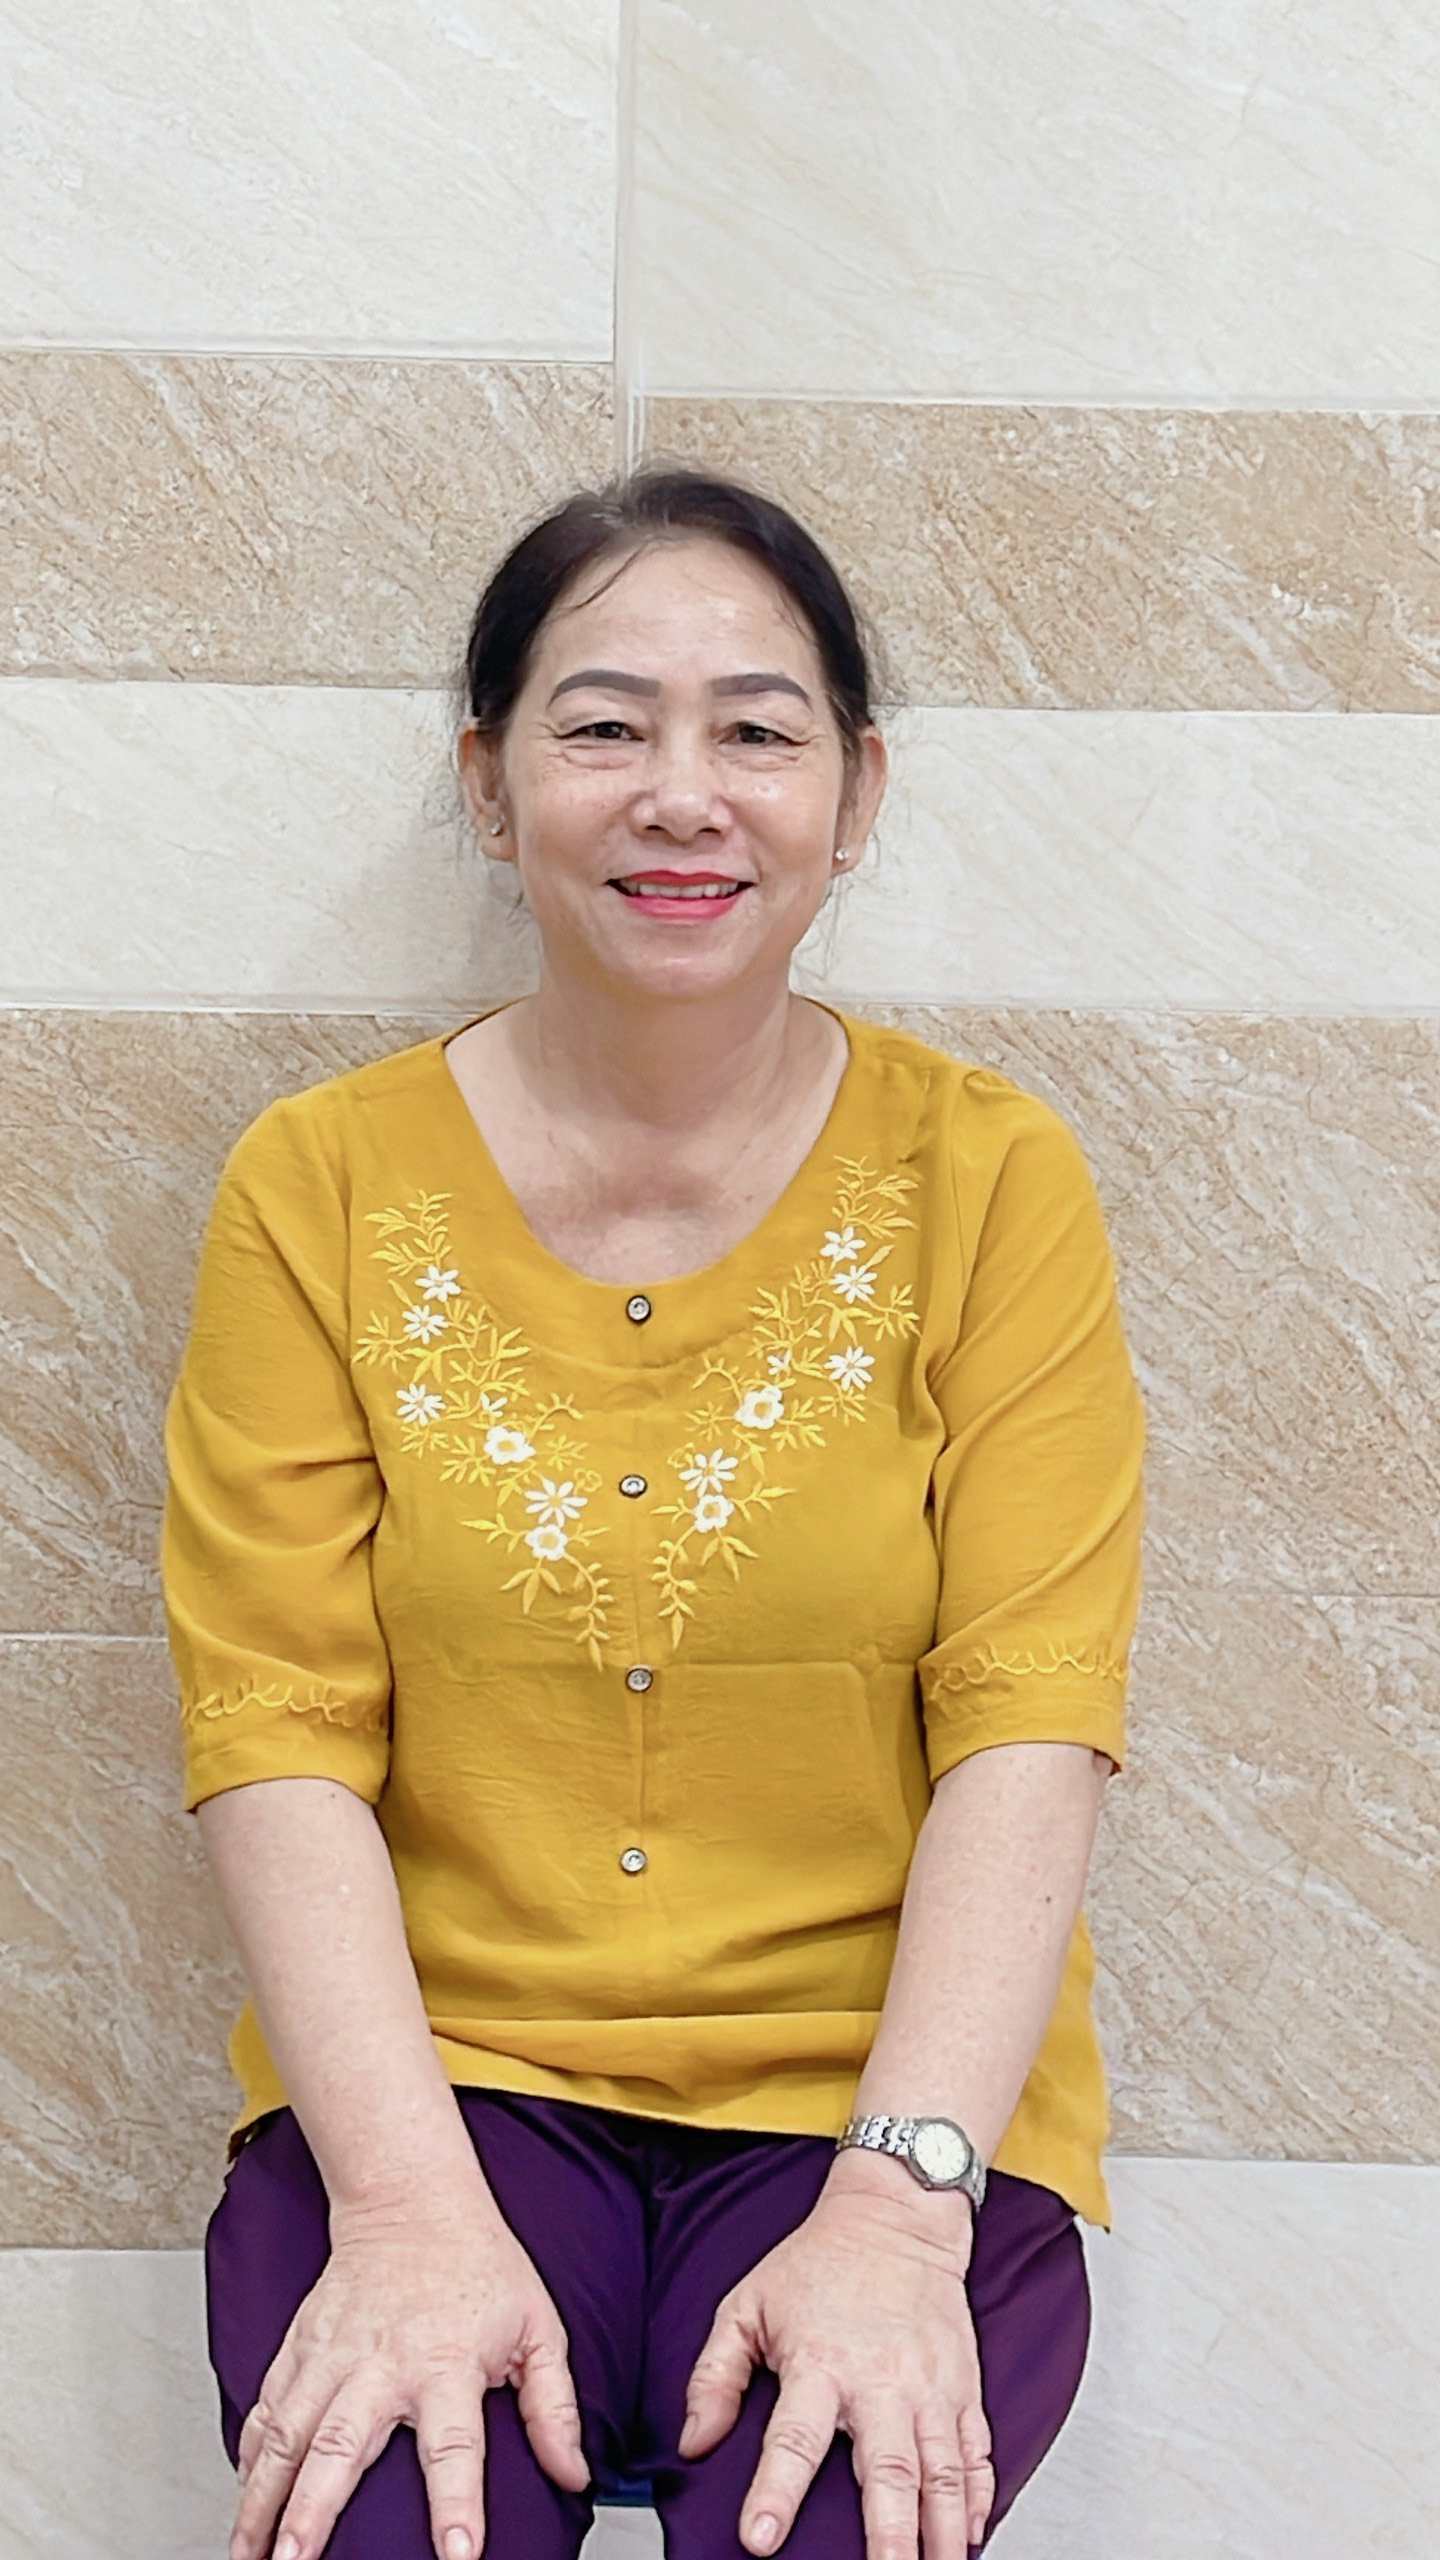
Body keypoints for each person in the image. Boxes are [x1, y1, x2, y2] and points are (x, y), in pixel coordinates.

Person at [160, 463, 1146, 2560]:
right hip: (435, 2088)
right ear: (490, 785)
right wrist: (402, 2208)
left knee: (841, 2511)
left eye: (757, 731)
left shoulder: (991, 1180)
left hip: (878, 2098)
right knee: (386, 2513)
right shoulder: (319, 1184)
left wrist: (899, 2210)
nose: (683, 795)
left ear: (854, 793)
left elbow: (1033, 1716)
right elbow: (276, 1724)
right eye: (605, 725)